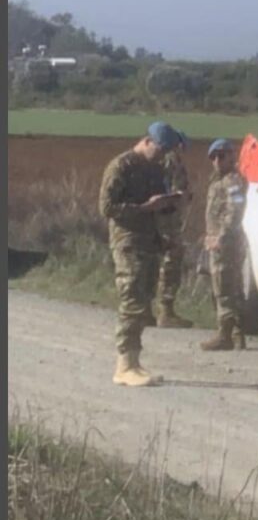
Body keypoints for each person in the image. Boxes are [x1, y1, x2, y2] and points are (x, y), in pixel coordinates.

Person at [99, 121, 187, 386]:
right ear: (147, 141)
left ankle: (134, 362)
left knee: (143, 301)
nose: (161, 157)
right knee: (132, 300)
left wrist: (169, 203)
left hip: (149, 240)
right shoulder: (121, 166)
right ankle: (124, 365)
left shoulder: (154, 168)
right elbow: (107, 207)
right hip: (127, 241)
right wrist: (144, 208)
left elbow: (154, 205)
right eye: (160, 151)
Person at [200, 138, 247, 351]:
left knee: (224, 287)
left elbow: (236, 211)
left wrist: (221, 235)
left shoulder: (233, 181)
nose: (217, 161)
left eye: (222, 155)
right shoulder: (218, 180)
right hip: (216, 241)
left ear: (231, 156)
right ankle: (236, 335)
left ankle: (225, 335)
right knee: (229, 286)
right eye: (213, 157)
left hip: (226, 243)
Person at [154, 128, 194, 328]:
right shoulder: (173, 160)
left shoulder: (157, 159)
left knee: (152, 262)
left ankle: (144, 309)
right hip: (168, 219)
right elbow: (177, 191)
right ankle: (166, 311)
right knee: (171, 262)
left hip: (157, 217)